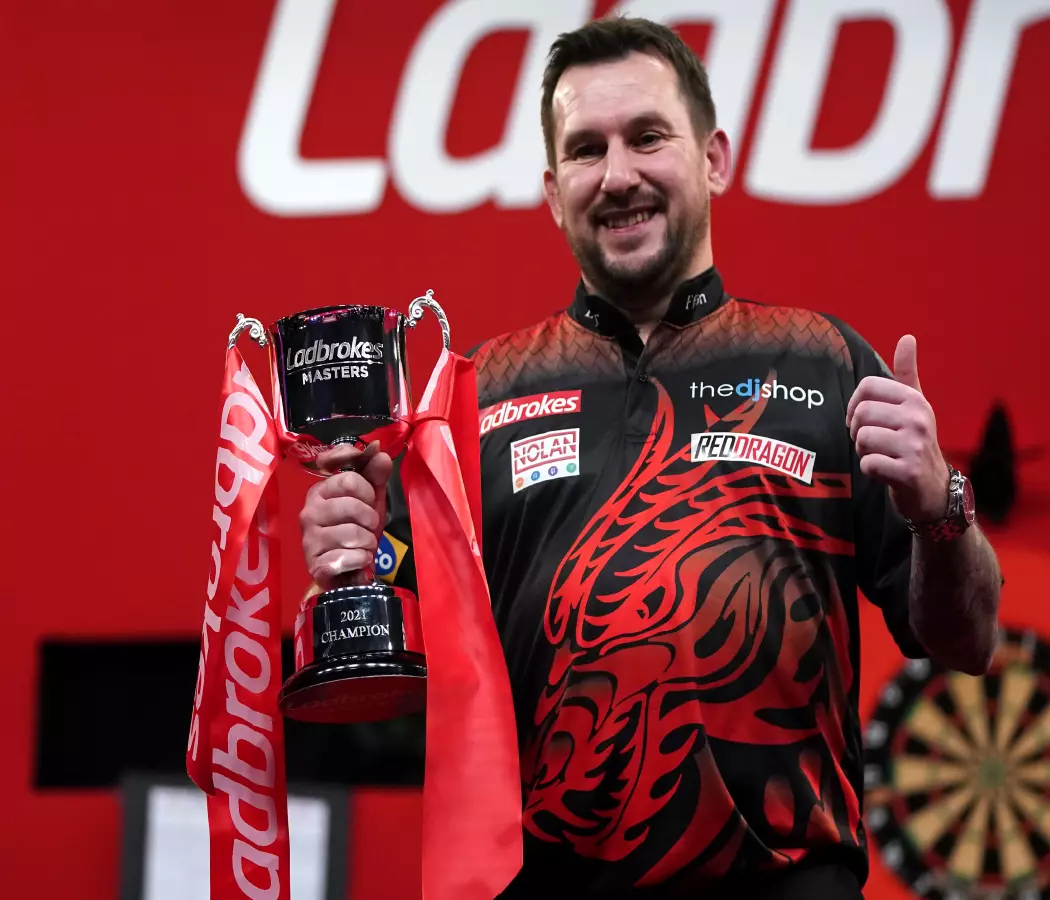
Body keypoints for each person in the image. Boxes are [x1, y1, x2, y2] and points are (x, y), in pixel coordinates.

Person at [300, 15, 1003, 900]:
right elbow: (390, 705)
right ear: (553, 191)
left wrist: (942, 510)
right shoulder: (474, 399)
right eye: (586, 150)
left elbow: (968, 639)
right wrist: (350, 568)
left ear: (713, 159)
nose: (618, 174)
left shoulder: (824, 362)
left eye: (647, 137)